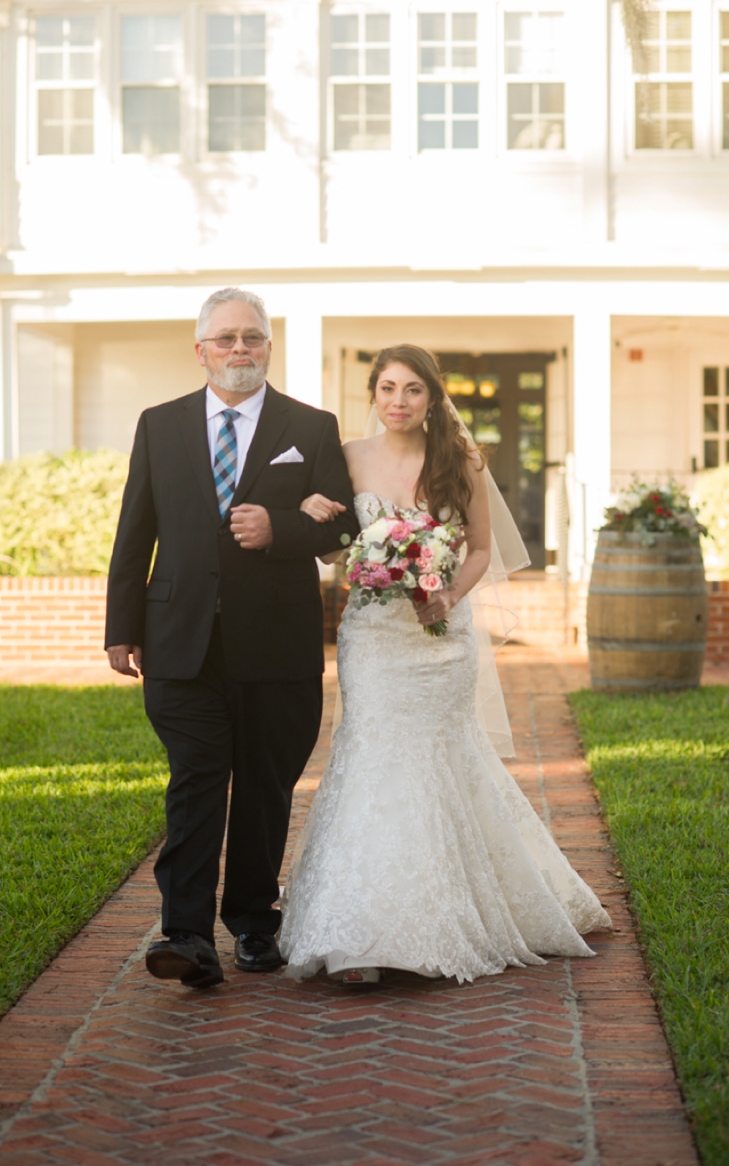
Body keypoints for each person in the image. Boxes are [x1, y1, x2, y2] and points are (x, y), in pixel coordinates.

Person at [280, 344, 611, 985]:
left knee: (441, 761)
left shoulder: (461, 461)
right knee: (372, 755)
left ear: (433, 399)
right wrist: (309, 513)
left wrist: (449, 596)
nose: (398, 401)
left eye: (412, 390)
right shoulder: (347, 458)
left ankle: (447, 914)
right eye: (387, 389)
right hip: (373, 637)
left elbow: (483, 548)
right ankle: (362, 934)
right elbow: (329, 552)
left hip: (442, 638)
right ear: (372, 395)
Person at [105, 287, 358, 988]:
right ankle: (185, 932)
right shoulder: (159, 424)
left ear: (268, 347)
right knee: (196, 781)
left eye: (252, 337)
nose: (239, 349)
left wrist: (283, 530)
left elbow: (344, 530)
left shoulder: (310, 427)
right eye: (226, 339)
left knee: (265, 787)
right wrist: (121, 627)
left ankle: (252, 921)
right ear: (201, 349)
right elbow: (136, 531)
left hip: (277, 644)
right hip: (179, 641)